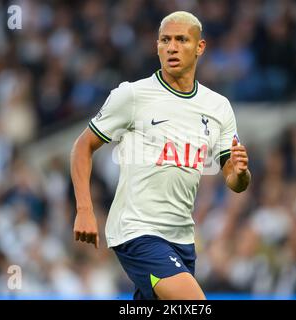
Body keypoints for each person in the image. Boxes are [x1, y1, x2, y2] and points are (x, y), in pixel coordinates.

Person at [71, 11, 251, 300]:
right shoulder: (132, 96)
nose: (172, 47)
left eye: (181, 40)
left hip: (182, 239)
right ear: (157, 46)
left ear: (200, 47)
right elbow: (82, 146)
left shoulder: (218, 107)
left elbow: (234, 178)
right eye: (165, 40)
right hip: (138, 232)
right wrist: (84, 209)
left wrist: (240, 173)